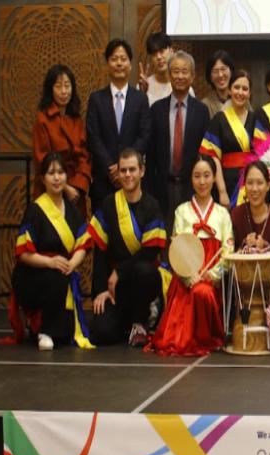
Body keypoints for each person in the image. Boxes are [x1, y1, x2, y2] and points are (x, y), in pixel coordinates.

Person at [146, 156, 232, 356]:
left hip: (211, 278)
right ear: (191, 179)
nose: (202, 181)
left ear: (214, 178)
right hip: (185, 278)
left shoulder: (222, 214)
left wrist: (213, 274)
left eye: (207, 176)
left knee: (203, 292)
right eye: (197, 176)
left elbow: (228, 251)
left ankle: (206, 338)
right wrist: (187, 276)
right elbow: (176, 250)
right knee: (196, 294)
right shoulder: (181, 211)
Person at [6, 153, 93, 350]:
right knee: (55, 277)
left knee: (67, 334)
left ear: (66, 177)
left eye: (60, 172)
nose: (56, 178)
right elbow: (23, 253)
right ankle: (44, 331)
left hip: (62, 272)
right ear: (43, 178)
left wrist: (72, 264)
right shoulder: (35, 210)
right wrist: (50, 262)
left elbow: (83, 244)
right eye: (51, 173)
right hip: (32, 274)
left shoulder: (73, 211)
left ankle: (45, 327)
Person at [86, 38, 151, 296]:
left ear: (130, 64)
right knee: (103, 244)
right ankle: (100, 299)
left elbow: (144, 135)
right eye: (114, 59)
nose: (119, 63)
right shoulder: (96, 99)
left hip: (133, 186)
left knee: (131, 243)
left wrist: (127, 168)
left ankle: (130, 300)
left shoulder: (140, 99)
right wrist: (111, 168)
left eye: (124, 59)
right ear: (107, 64)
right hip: (105, 183)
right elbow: (93, 137)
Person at [87, 148, 167, 347]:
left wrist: (119, 271)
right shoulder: (108, 204)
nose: (128, 175)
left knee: (144, 270)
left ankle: (142, 320)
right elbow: (100, 250)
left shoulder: (152, 206)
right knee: (101, 334)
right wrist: (101, 291)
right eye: (123, 170)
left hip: (143, 283)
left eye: (132, 169)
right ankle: (126, 321)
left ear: (142, 171)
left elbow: (150, 252)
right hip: (116, 288)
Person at [146, 51, 211, 224]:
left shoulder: (202, 111)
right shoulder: (156, 110)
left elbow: (206, 154)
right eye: (175, 71)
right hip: (162, 188)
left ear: (192, 76)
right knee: (164, 236)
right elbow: (150, 155)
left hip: (193, 187)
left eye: (184, 71)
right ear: (169, 74)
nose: (180, 76)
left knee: (190, 236)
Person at [32, 64, 91, 215]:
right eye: (58, 86)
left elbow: (84, 157)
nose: (64, 91)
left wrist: (78, 186)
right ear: (50, 89)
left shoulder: (77, 119)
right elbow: (42, 160)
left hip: (76, 192)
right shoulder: (43, 119)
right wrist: (65, 187)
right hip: (51, 189)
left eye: (67, 86)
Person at [199, 69, 255, 207]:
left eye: (245, 89)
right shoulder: (219, 119)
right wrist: (222, 191)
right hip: (226, 184)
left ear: (249, 93)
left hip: (252, 183)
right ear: (229, 90)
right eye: (236, 87)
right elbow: (212, 156)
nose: (240, 92)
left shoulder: (256, 119)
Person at [230, 161, 270, 253]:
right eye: (250, 183)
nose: (254, 189)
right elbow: (229, 251)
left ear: (268, 186)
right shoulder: (236, 215)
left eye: (259, 183)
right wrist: (244, 245)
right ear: (244, 186)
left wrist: (266, 247)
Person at [138, 32, 194, 105]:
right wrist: (142, 94)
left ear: (171, 51)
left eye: (162, 51)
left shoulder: (183, 86)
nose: (159, 57)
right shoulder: (144, 86)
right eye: (154, 54)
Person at [201, 49, 235, 118]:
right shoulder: (204, 105)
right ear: (210, 77)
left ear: (231, 71)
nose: (220, 75)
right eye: (215, 71)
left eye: (223, 69)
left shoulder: (240, 98)